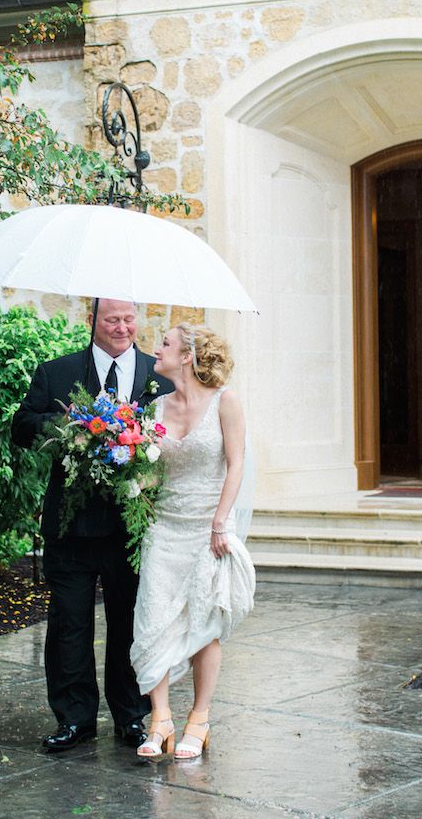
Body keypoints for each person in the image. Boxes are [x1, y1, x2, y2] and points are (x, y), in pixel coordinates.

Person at [11, 299, 173, 752]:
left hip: (133, 527)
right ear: (92, 322)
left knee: (132, 624)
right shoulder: (56, 372)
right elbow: (21, 426)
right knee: (69, 625)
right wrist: (70, 426)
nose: (122, 328)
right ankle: (75, 719)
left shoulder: (159, 375)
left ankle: (133, 717)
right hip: (70, 528)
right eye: (111, 320)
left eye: (128, 319)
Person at [131, 323, 255, 759]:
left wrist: (222, 522)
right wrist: (128, 479)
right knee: (152, 618)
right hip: (163, 527)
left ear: (187, 355)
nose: (155, 349)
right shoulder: (156, 407)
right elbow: (149, 472)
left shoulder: (226, 401)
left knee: (204, 625)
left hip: (208, 530)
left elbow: (236, 464)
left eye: (164, 343)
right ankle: (160, 718)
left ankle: (199, 720)